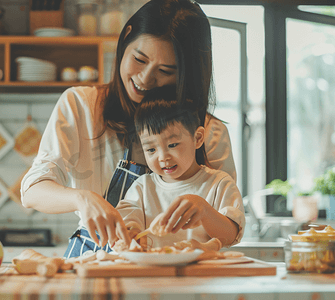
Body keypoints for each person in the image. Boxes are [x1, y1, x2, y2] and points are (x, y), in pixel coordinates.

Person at [21, 0, 237, 258]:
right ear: (125, 38)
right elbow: (32, 191)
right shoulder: (81, 105)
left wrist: (203, 211)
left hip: (175, 271)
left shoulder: (208, 131)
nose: (145, 78)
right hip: (94, 260)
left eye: (165, 71)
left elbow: (228, 233)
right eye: (139, 59)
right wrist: (83, 198)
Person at [115, 86, 245, 249]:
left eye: (173, 144)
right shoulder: (142, 188)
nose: (163, 157)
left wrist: (204, 210)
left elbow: (231, 236)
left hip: (205, 272)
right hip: (154, 273)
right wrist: (130, 232)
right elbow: (127, 222)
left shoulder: (219, 183)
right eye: (151, 150)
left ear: (197, 138)